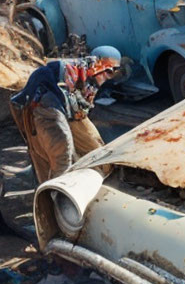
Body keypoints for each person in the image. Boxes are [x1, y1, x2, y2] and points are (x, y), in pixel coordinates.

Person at [9, 46, 121, 183]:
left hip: (58, 107)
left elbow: (80, 113)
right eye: (108, 71)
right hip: (42, 105)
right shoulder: (69, 75)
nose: (108, 77)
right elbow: (64, 116)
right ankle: (57, 193)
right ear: (96, 64)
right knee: (61, 154)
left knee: (92, 147)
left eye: (113, 72)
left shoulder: (88, 78)